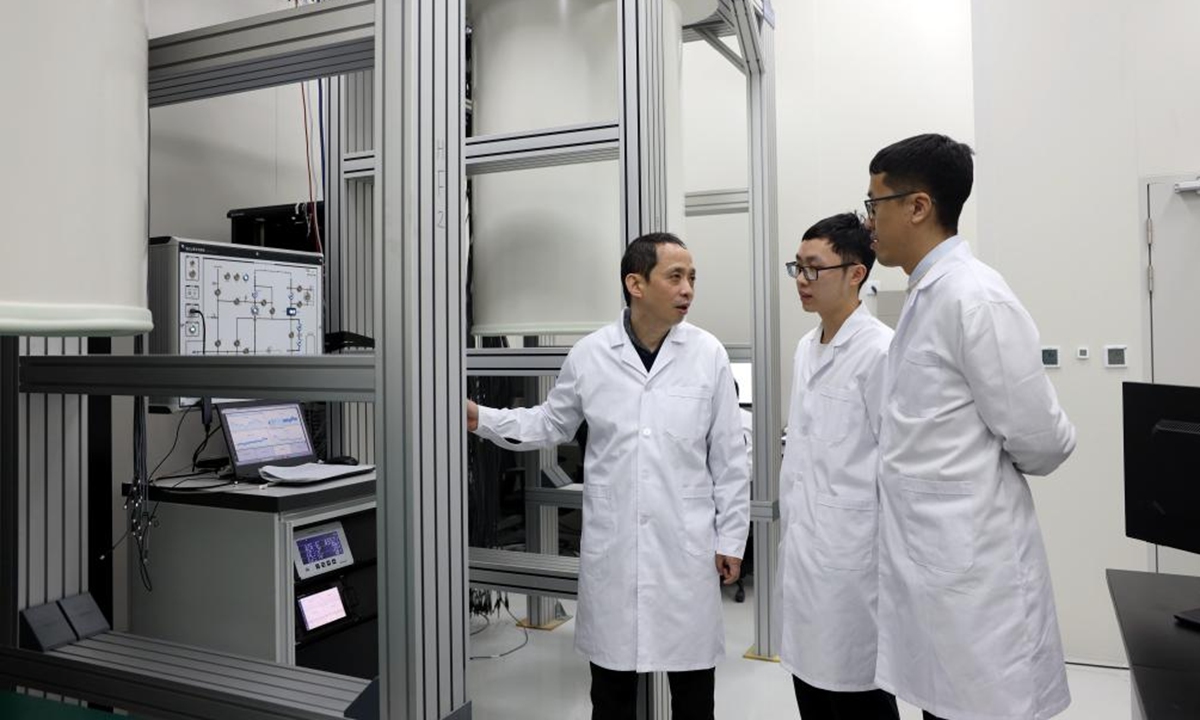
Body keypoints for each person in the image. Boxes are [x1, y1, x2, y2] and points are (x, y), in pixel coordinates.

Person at [467, 232, 750, 720]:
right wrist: (482, 418)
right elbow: (550, 423)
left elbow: (729, 455)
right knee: (611, 694)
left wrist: (732, 538)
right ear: (636, 284)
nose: (688, 289)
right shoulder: (591, 354)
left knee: (693, 695)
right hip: (616, 551)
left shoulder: (708, 354)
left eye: (692, 278)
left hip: (685, 550)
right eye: (675, 277)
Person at [865, 134, 1076, 720]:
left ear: (918, 206)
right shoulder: (925, 295)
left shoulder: (975, 298)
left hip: (978, 584)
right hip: (938, 576)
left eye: (875, 203)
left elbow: (1043, 440)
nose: (869, 220)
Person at [776, 212, 897, 719]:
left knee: (858, 693)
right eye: (797, 267)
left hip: (854, 561)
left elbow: (895, 463)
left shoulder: (881, 351)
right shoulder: (806, 347)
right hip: (806, 551)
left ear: (856, 273)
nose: (802, 280)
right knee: (811, 690)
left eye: (814, 268)